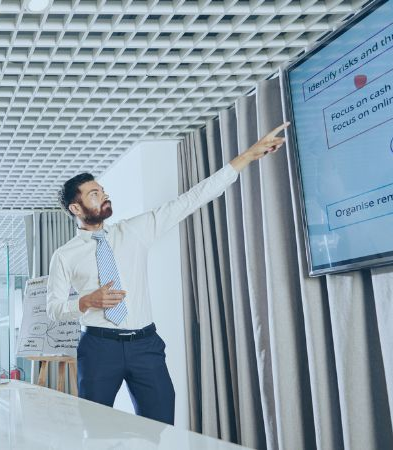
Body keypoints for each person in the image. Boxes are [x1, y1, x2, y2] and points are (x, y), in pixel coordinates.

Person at [47, 122, 289, 425]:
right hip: (98, 348)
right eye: (95, 194)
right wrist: (86, 301)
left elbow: (192, 199)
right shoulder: (65, 255)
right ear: (76, 208)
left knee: (161, 429)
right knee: (96, 431)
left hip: (145, 346)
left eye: (103, 191)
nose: (104, 196)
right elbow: (54, 309)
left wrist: (248, 156)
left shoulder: (134, 231)